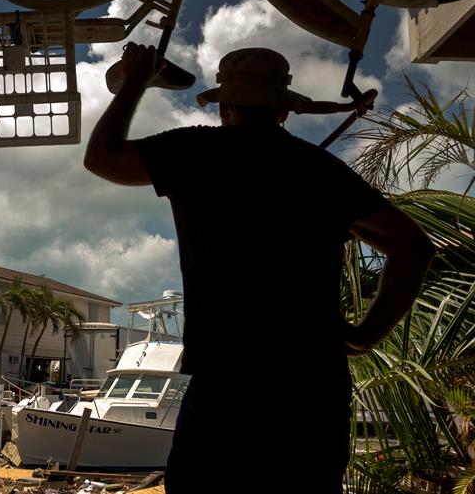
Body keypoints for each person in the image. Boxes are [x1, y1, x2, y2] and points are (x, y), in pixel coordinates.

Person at [83, 44, 435, 493]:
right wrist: (366, 335)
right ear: (284, 112)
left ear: (225, 107)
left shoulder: (194, 152)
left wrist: (135, 80)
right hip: (310, 390)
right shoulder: (317, 170)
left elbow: (101, 158)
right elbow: (413, 249)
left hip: (226, 386)